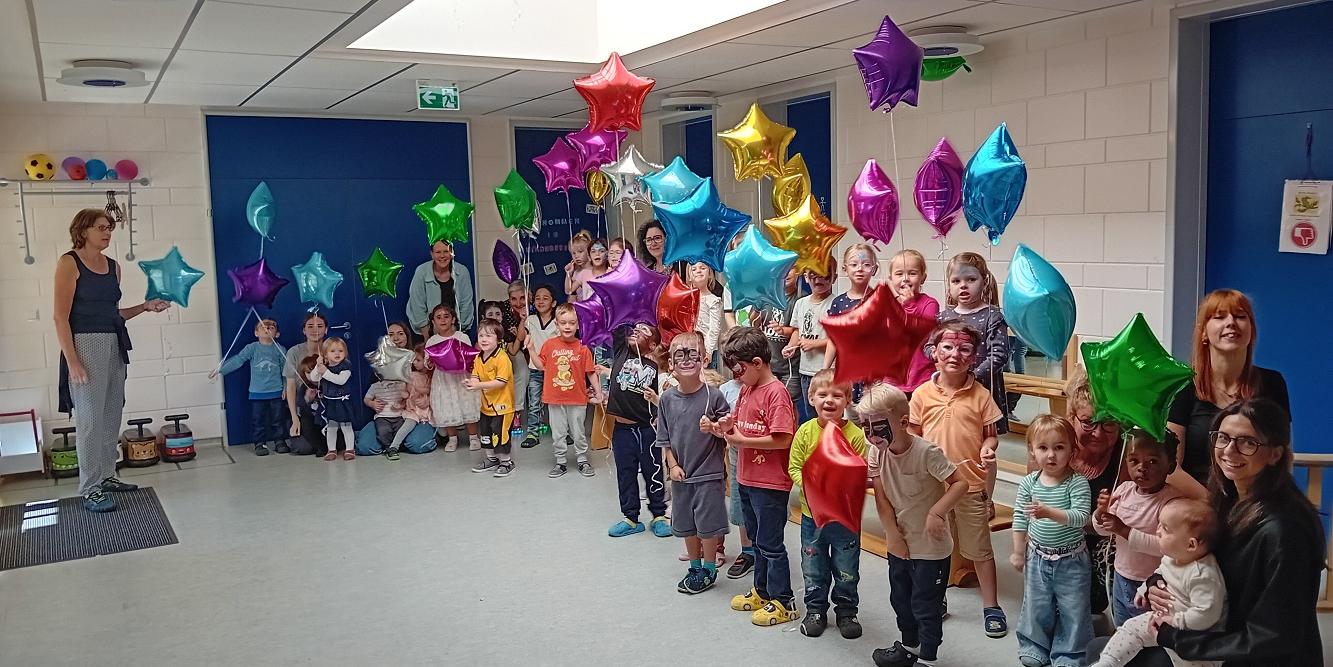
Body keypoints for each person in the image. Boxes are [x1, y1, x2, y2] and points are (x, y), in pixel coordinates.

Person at [1086, 398, 1324, 667]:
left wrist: (1175, 637)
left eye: (1248, 442)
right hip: (1214, 636)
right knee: (1101, 649)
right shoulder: (1228, 501)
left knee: (1102, 651)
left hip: (1247, 655)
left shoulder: (1286, 530)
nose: (1229, 450)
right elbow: (1194, 558)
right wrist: (1156, 583)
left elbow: (1274, 637)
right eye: (1223, 438)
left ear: (1275, 454)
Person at [53, 209, 169, 512]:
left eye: (110, 228)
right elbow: (60, 318)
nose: (107, 233)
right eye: (102, 228)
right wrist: (73, 361)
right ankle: (89, 487)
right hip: (83, 344)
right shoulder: (69, 262)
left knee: (110, 415)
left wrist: (145, 307)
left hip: (113, 343)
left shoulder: (114, 267)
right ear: (83, 230)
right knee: (90, 420)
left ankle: (106, 475)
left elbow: (113, 314)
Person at [910, 321, 1007, 638]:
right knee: (936, 549)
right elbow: (914, 435)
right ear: (933, 352)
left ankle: (991, 605)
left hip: (971, 486)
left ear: (974, 356)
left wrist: (988, 448)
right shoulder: (922, 394)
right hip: (933, 489)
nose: (955, 354)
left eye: (964, 349)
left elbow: (990, 436)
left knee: (980, 550)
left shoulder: (981, 395)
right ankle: (936, 600)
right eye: (948, 347)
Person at [862, 384, 968, 667]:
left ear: (903, 422)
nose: (872, 435)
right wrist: (893, 536)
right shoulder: (876, 452)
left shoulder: (927, 453)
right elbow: (882, 499)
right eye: (865, 427)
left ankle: (929, 658)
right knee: (901, 600)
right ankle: (910, 646)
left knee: (926, 605)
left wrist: (937, 512)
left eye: (878, 427)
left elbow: (960, 483)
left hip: (930, 548)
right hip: (900, 543)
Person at [709, 327, 798, 627]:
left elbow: (783, 439)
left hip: (769, 484)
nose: (736, 376)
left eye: (739, 369)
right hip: (747, 478)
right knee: (757, 542)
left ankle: (784, 601)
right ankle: (762, 591)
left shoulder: (776, 393)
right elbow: (740, 424)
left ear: (758, 363)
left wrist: (742, 441)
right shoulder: (748, 388)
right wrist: (725, 426)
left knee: (771, 545)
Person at [1167, 289, 1290, 497]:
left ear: (1251, 330)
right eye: (1219, 317)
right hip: (1197, 502)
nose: (1231, 322)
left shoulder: (1273, 383)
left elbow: (1283, 456)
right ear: (1204, 332)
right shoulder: (1181, 385)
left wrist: (1251, 507)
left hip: (1257, 501)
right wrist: (1215, 505)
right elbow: (1171, 468)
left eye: (1240, 316)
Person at [1090, 498, 1226, 667]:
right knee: (1130, 628)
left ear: (1191, 545)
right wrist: (1144, 588)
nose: (1158, 531)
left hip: (1195, 635)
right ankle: (1108, 662)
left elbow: (1207, 614)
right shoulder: (1173, 557)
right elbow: (1161, 572)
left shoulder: (1203, 575)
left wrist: (1175, 621)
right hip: (1165, 621)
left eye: (1166, 528)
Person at [787, 369, 867, 639]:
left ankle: (847, 611)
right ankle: (815, 609)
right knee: (813, 566)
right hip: (813, 517)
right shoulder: (805, 432)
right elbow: (794, 467)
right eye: (822, 394)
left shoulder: (855, 435)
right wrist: (813, 488)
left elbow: (859, 472)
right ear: (811, 398)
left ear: (848, 400)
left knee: (847, 568)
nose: (829, 400)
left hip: (845, 518)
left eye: (837, 395)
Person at [1010, 414, 1093, 667]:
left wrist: (1049, 512)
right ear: (1032, 451)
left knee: (1073, 607)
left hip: (1071, 560)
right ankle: (1034, 645)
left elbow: (1081, 517)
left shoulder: (1077, 482)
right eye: (1043, 448)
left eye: (1059, 447)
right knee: (1036, 604)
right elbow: (1020, 517)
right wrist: (1017, 551)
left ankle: (1071, 653)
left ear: (1072, 451)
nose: (1051, 455)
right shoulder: (1029, 482)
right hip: (1037, 557)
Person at [657, 331, 732, 594]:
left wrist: (714, 427)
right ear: (671, 363)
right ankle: (695, 566)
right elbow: (664, 438)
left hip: (709, 474)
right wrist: (673, 465)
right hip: (681, 475)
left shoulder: (714, 396)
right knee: (687, 523)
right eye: (680, 355)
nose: (687, 360)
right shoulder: (667, 400)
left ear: (704, 359)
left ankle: (709, 569)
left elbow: (727, 433)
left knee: (708, 525)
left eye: (693, 354)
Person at [1093, 430, 1185, 626]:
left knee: (1146, 632)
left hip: (1150, 585)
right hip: (1120, 575)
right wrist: (1101, 513)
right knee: (1122, 627)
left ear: (1170, 466)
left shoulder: (1172, 502)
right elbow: (1104, 530)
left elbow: (1165, 546)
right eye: (1134, 460)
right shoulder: (1123, 490)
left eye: (1152, 461)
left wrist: (1124, 530)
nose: (1142, 468)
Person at [1065, 366, 1126, 623]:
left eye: (1109, 423)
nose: (1098, 433)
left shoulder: (1127, 454)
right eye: (1088, 422)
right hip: (1061, 541)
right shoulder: (1052, 445)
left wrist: (1100, 521)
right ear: (1072, 417)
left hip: (1102, 544)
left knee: (1092, 607)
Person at [605, 323, 670, 538]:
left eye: (644, 331)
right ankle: (631, 518)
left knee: (653, 472)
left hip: (646, 429)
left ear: (652, 345)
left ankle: (659, 515)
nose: (636, 332)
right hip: (622, 431)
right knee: (625, 474)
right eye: (635, 329)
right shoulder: (621, 351)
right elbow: (618, 325)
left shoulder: (653, 366)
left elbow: (658, 398)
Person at [935, 252, 1009, 437]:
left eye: (971, 279)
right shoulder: (944, 317)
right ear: (949, 285)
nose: (963, 285)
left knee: (982, 438)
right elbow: (929, 345)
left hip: (981, 387)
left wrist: (971, 377)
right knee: (952, 433)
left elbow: (999, 355)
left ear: (984, 282)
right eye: (956, 281)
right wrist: (937, 358)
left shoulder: (993, 316)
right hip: (948, 387)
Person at [527, 303, 602, 478]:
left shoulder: (583, 347)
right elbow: (540, 366)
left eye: (571, 323)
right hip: (554, 398)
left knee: (578, 432)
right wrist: (531, 349)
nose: (567, 326)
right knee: (558, 432)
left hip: (577, 398)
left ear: (578, 325)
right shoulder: (549, 345)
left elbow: (590, 372)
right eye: (563, 323)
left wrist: (598, 391)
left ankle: (582, 459)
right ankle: (560, 461)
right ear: (557, 324)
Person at [210, 318, 287, 457]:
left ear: (277, 334)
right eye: (263, 326)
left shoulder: (280, 350)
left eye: (272, 327)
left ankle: (280, 441)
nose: (267, 327)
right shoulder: (252, 348)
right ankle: (259, 443)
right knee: (258, 421)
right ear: (256, 333)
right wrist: (220, 370)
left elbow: (286, 371)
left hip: (276, 392)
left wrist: (286, 388)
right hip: (257, 393)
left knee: (278, 420)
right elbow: (238, 360)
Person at [784, 259, 836, 423]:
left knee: (829, 415)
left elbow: (838, 339)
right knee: (811, 414)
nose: (819, 279)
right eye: (813, 274)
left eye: (824, 275)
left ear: (834, 277)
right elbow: (797, 330)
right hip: (805, 370)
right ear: (806, 277)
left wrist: (815, 344)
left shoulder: (835, 304)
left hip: (827, 371)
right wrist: (791, 346)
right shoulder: (801, 303)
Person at [426, 304, 481, 451]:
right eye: (438, 317)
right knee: (447, 406)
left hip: (461, 378)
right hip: (443, 380)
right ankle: (452, 438)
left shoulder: (462, 337)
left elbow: (469, 357)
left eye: (446, 316)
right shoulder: (432, 341)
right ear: (433, 322)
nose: (443, 320)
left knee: (467, 404)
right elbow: (428, 362)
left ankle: (473, 437)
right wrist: (430, 362)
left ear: (453, 319)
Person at [466, 319, 517, 478]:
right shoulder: (478, 358)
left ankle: (506, 462)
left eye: (489, 336)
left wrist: (478, 385)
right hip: (486, 406)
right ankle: (492, 459)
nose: (484, 339)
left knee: (501, 435)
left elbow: (500, 382)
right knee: (486, 434)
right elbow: (475, 375)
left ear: (499, 339)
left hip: (503, 407)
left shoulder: (502, 358)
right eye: (481, 335)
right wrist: (471, 382)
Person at [888, 249, 939, 394]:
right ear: (891, 278)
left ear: (923, 278)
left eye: (912, 273)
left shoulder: (930, 304)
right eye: (899, 274)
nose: (905, 279)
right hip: (891, 380)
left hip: (921, 379)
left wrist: (909, 305)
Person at [407, 240, 475, 338]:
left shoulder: (462, 272)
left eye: (446, 251)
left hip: (456, 331)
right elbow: (416, 304)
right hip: (427, 331)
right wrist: (427, 335)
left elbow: (466, 304)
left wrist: (458, 331)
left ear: (452, 253)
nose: (442, 256)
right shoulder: (421, 272)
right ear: (432, 254)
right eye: (438, 252)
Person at [284, 311, 329, 456]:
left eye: (319, 326)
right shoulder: (294, 352)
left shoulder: (333, 350)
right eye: (310, 326)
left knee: (334, 443)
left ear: (326, 329)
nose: (315, 330)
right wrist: (294, 418)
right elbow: (291, 387)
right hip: (303, 409)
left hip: (327, 408)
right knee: (304, 449)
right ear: (304, 330)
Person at [520, 285, 558, 449]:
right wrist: (522, 319)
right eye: (537, 298)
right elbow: (521, 337)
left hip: (555, 369)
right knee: (534, 402)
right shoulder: (531, 319)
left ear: (554, 303)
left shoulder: (558, 321)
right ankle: (532, 433)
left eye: (545, 298)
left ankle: (563, 432)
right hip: (535, 368)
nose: (541, 301)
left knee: (558, 403)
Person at [309, 338, 356, 462]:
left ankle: (350, 449)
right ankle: (331, 449)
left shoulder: (346, 367)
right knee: (331, 426)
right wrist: (318, 366)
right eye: (333, 351)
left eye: (340, 351)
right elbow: (314, 378)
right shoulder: (324, 367)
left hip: (342, 402)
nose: (337, 353)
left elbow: (340, 381)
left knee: (346, 426)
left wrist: (325, 372)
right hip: (329, 402)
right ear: (325, 354)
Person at [388, 346, 432, 459]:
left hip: (427, 411)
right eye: (414, 360)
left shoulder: (432, 377)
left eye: (418, 360)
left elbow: (431, 390)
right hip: (413, 409)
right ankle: (394, 446)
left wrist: (423, 392)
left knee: (440, 429)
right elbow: (407, 392)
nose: (414, 363)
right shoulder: (412, 375)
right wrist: (404, 396)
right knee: (409, 423)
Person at [363, 362, 407, 461]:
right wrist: (372, 404)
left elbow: (407, 398)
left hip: (399, 416)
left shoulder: (401, 385)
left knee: (400, 430)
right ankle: (389, 448)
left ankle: (397, 446)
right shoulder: (375, 386)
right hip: (382, 416)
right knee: (383, 431)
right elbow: (366, 399)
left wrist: (402, 403)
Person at [503, 281, 530, 438]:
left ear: (528, 296)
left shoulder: (535, 307)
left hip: (533, 348)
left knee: (527, 373)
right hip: (511, 348)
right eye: (514, 299)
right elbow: (509, 342)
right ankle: (515, 412)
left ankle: (532, 412)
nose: (518, 303)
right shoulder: (504, 309)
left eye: (522, 298)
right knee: (521, 371)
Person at [688, 262, 724, 366]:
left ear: (710, 275)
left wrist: (708, 351)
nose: (698, 271)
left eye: (702, 268)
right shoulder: (686, 299)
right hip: (689, 346)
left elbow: (714, 328)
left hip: (706, 349)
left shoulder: (713, 300)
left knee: (708, 375)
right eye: (694, 269)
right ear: (689, 277)